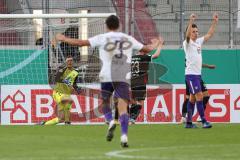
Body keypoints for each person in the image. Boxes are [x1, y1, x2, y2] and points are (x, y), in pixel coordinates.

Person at [55, 15, 159, 147]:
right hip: (122, 76)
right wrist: (156, 43)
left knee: (105, 103)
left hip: (106, 76)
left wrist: (64, 38)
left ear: (107, 25)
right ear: (119, 25)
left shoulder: (102, 38)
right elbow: (147, 49)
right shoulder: (127, 38)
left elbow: (81, 43)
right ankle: (124, 136)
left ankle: (110, 121)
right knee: (123, 109)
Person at [114, 38, 164, 124]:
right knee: (140, 102)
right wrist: (160, 46)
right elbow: (156, 55)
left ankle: (129, 115)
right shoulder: (144, 57)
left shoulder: (133, 57)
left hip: (131, 81)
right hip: (140, 81)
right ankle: (132, 118)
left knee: (132, 99)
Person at [183, 13, 218, 128]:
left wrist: (214, 21)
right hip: (191, 75)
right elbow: (187, 35)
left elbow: (209, 34)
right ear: (189, 32)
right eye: (194, 31)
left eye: (197, 31)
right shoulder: (187, 43)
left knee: (192, 99)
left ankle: (188, 123)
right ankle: (204, 121)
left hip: (197, 75)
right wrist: (190, 20)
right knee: (199, 96)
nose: (196, 33)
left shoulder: (198, 42)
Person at [41, 56, 82, 125]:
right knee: (69, 100)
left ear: (73, 62)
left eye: (71, 61)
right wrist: (67, 82)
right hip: (58, 92)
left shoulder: (75, 72)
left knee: (60, 119)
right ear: (66, 62)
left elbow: (74, 83)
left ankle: (44, 124)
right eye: (68, 61)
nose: (70, 62)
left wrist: (77, 88)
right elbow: (57, 79)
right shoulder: (62, 70)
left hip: (66, 93)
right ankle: (67, 121)